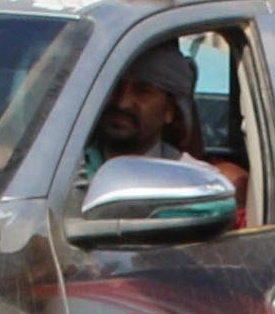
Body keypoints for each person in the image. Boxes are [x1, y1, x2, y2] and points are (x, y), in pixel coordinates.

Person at [86, 35, 248, 221]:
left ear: (169, 111)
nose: (123, 103)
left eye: (142, 91)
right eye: (116, 87)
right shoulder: (70, 166)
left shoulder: (195, 184)